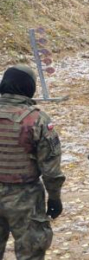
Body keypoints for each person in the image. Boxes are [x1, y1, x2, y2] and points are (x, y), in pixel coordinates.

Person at [0, 65, 65, 259]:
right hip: (25, 197)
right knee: (31, 253)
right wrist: (54, 198)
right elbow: (50, 168)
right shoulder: (37, 120)